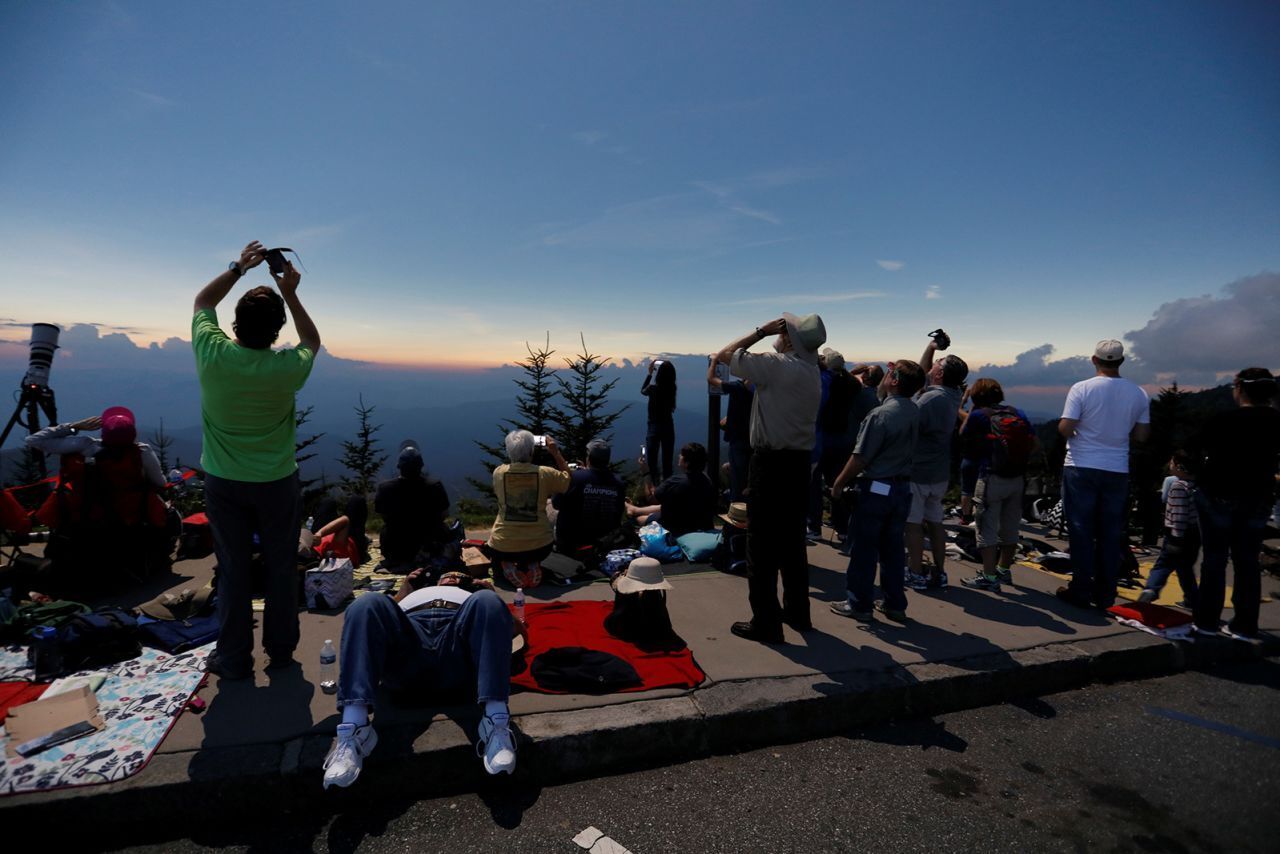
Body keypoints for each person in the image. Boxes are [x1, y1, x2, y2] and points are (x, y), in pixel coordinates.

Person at [193, 240, 320, 680]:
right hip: (277, 483)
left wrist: (238, 268)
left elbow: (202, 300)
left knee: (233, 571)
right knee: (282, 567)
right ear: (275, 330)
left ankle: (233, 658)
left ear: (235, 324)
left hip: (224, 482)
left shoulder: (212, 353)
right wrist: (290, 292)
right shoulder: (286, 368)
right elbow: (312, 340)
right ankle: (281, 653)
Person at [323, 570, 522, 789]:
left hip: (455, 645)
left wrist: (493, 596)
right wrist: (402, 592)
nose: (452, 577)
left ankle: (496, 725)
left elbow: (514, 631)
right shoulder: (414, 594)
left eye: (459, 576)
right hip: (410, 644)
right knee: (367, 602)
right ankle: (354, 730)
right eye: (448, 574)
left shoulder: (475, 599)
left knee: (488, 600)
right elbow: (373, 625)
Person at [714, 313, 826, 643]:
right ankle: (797, 611)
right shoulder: (810, 371)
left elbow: (725, 355)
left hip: (771, 462)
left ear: (788, 339)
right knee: (792, 543)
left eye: (783, 330)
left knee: (760, 545)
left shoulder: (779, 366)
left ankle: (765, 621)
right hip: (798, 463)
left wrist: (761, 331)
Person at [1055, 339, 1150, 610]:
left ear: (1094, 360)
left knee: (1081, 530)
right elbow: (1142, 435)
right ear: (1120, 362)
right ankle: (1106, 594)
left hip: (1081, 465)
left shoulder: (1082, 388)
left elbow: (1065, 427)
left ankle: (1081, 590)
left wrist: (1079, 434)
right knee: (1110, 532)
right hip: (1117, 468)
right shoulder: (1139, 393)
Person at [830, 360, 925, 622]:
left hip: (876, 488)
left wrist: (838, 483)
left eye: (890, 374)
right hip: (902, 488)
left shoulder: (880, 415)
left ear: (894, 381)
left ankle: (859, 604)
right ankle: (894, 603)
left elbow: (861, 457)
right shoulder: (914, 411)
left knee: (864, 548)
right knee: (893, 549)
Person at [1190, 368, 1280, 640]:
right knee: (1247, 560)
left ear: (1239, 388)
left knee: (1214, 559)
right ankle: (1244, 624)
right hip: (1258, 497)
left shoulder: (1224, 419)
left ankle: (1206, 621)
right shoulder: (1277, 421)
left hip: (1218, 494)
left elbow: (1195, 449)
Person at [956, 379, 1037, 592]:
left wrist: (968, 406)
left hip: (991, 478)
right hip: (1017, 479)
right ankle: (1003, 570)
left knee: (986, 528)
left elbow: (963, 433)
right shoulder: (1016, 412)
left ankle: (989, 576)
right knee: (1010, 528)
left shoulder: (978, 416)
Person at [905, 334, 967, 592]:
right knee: (935, 522)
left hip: (919, 469)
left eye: (937, 366)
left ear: (939, 375)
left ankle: (916, 571)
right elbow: (924, 374)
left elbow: (908, 422)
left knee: (913, 524)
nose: (931, 369)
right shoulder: (953, 394)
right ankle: (940, 571)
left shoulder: (930, 399)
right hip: (939, 472)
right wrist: (931, 348)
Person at [485, 430, 570, 587]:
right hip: (540, 546)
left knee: (497, 555)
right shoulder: (545, 473)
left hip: (502, 546)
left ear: (509, 451)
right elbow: (568, 480)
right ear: (532, 450)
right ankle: (532, 564)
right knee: (534, 549)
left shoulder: (499, 472)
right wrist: (555, 452)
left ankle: (508, 566)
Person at [26, 408, 165, 490]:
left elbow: (34, 440)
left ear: (103, 433)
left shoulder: (86, 446)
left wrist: (74, 426)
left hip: (92, 515)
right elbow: (160, 483)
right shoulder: (142, 452)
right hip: (133, 516)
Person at [374, 442, 451, 572]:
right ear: (421, 466)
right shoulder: (434, 485)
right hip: (429, 546)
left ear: (399, 466)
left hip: (396, 549)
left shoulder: (385, 488)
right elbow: (444, 514)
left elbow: (384, 516)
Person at [1137, 450, 1199, 607]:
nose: (1170, 465)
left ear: (1179, 467)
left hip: (1177, 535)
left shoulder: (1178, 486)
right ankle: (1192, 598)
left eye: (1172, 463)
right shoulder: (1197, 486)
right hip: (1194, 534)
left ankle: (1151, 589)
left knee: (1163, 564)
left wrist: (1176, 539)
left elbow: (1179, 514)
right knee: (1185, 568)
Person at [809, 348, 857, 540]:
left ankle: (814, 527)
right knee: (836, 483)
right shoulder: (852, 384)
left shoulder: (823, 382)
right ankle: (842, 528)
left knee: (813, 485)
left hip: (821, 437)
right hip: (841, 439)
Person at [552, 439, 627, 553]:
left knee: (549, 505)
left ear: (588, 457)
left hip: (571, 545)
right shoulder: (618, 483)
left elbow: (556, 503)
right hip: (604, 544)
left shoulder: (575, 478)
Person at [626, 442, 717, 536]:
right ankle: (635, 509)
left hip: (676, 527)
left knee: (639, 519)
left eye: (682, 455)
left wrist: (646, 473)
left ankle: (634, 514)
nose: (679, 456)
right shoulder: (707, 480)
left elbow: (651, 498)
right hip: (701, 524)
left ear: (687, 462)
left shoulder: (676, 481)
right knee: (670, 505)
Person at [707, 356, 754, 503]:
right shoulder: (760, 389)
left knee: (737, 480)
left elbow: (711, 379)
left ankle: (735, 514)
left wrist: (714, 361)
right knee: (747, 480)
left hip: (738, 441)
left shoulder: (737, 388)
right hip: (754, 441)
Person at [642, 359, 678, 487]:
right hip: (668, 425)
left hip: (654, 425)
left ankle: (654, 488)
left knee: (652, 461)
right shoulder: (672, 387)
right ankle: (667, 487)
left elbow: (642, 391)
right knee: (667, 460)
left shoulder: (653, 388)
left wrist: (650, 373)